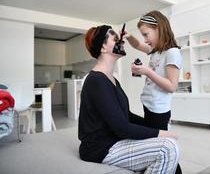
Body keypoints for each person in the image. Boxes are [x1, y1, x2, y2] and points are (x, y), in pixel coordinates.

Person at [78, 25, 180, 174]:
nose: (121, 41)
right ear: (103, 48)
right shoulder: (95, 80)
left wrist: (154, 127)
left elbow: (127, 116)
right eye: (115, 38)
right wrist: (161, 133)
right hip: (100, 148)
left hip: (115, 140)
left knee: (167, 140)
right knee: (167, 148)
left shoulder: (112, 79)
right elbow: (122, 128)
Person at [125, 10, 183, 173]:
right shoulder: (156, 50)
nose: (145, 39)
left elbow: (172, 86)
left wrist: (147, 71)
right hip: (149, 105)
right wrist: (129, 36)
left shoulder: (172, 52)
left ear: (158, 28)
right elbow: (137, 45)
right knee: (157, 146)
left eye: (146, 34)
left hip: (159, 109)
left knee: (162, 148)